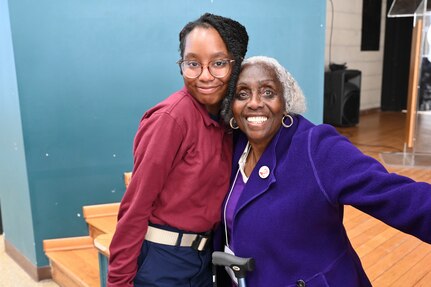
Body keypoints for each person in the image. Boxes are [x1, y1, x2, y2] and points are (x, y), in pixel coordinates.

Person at [220, 56, 431, 286]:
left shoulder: (316, 146)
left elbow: (396, 196)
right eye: (242, 94)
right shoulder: (235, 145)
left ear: (286, 99)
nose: (254, 103)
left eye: (268, 92)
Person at [107, 13, 248, 287]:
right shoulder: (170, 120)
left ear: (235, 65)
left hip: (205, 258)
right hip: (164, 260)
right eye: (192, 63)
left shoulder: (229, 120)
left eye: (218, 63)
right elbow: (135, 207)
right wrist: (118, 282)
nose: (205, 76)